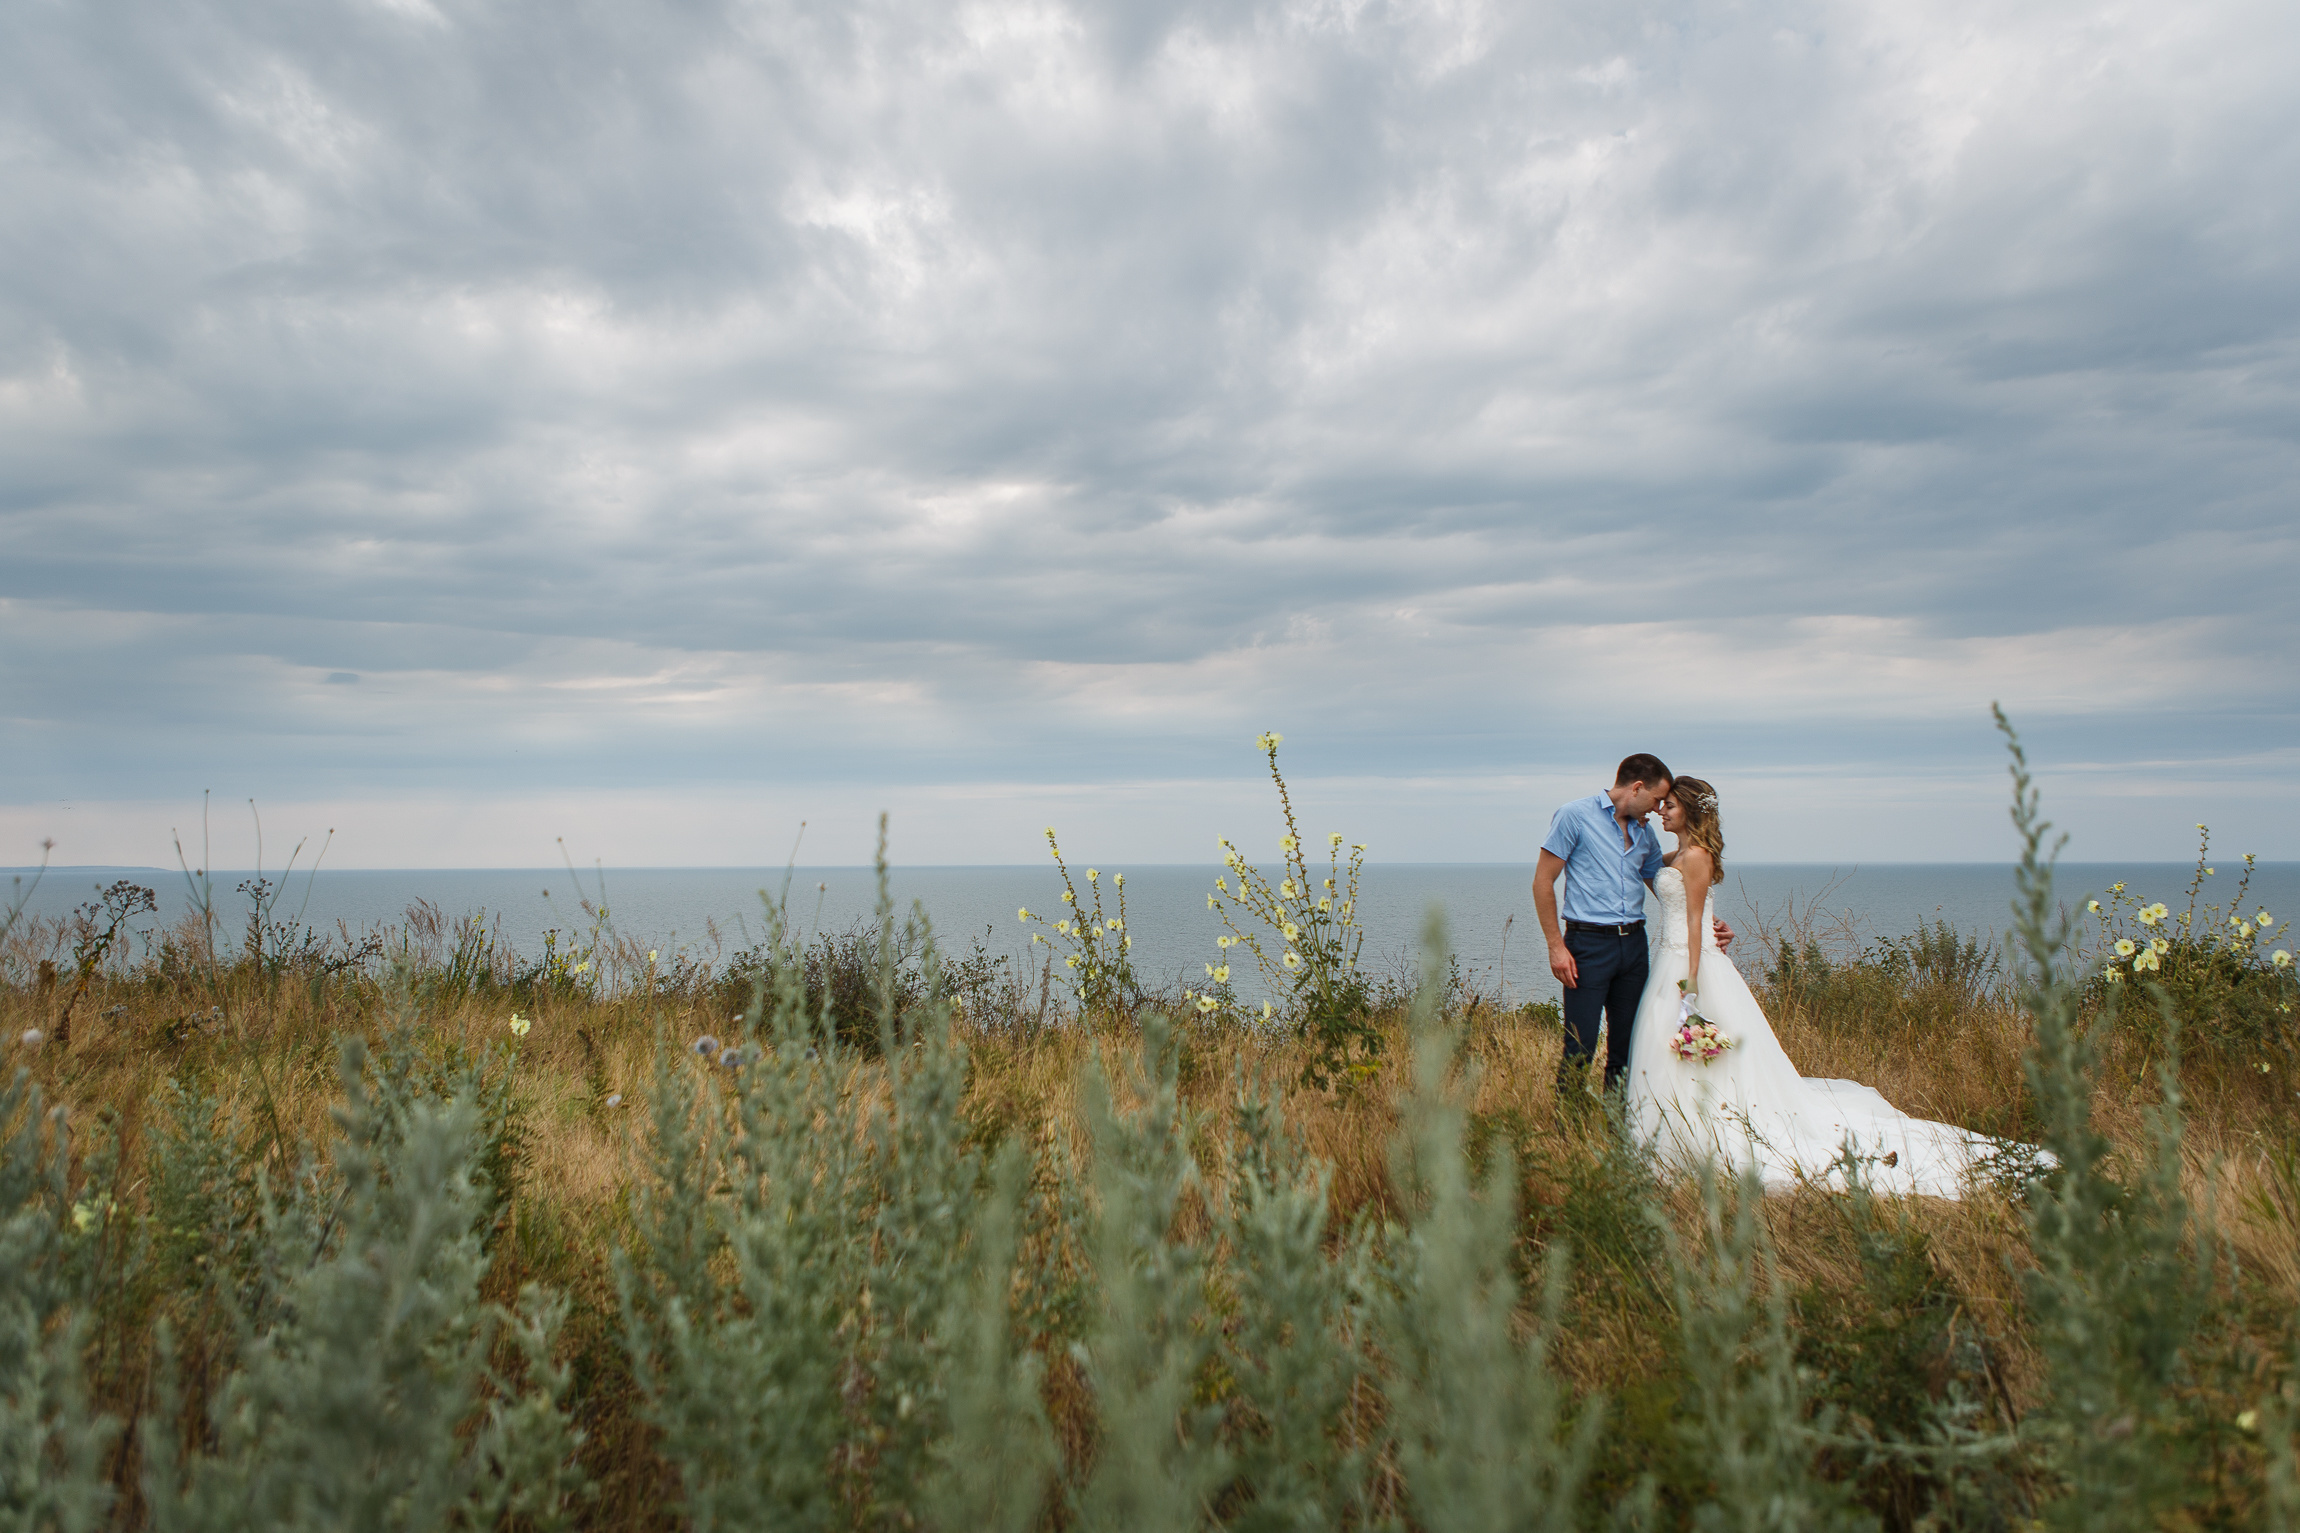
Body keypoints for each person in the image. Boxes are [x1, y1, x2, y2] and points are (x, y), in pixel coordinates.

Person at [1623, 777, 2025, 1198]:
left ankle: (1701, 1140)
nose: (1662, 811)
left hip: (1692, 964)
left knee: (1704, 1058)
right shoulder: (1674, 856)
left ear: (1689, 808)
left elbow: (1693, 923)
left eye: (1669, 805)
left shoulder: (1699, 857)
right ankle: (1667, 1139)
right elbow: (1666, 891)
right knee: (1666, 1054)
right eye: (1662, 804)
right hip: (1670, 958)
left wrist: (1690, 987)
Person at [1532, 754, 1730, 1096]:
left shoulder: (1645, 833)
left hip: (1635, 948)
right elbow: (1542, 882)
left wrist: (1709, 925)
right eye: (1656, 800)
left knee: (1627, 1045)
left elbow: (1666, 883)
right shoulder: (1574, 816)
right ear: (1637, 788)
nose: (1656, 810)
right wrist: (1555, 946)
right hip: (1588, 945)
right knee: (1580, 1044)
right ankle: (1569, 1129)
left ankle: (1616, 1125)